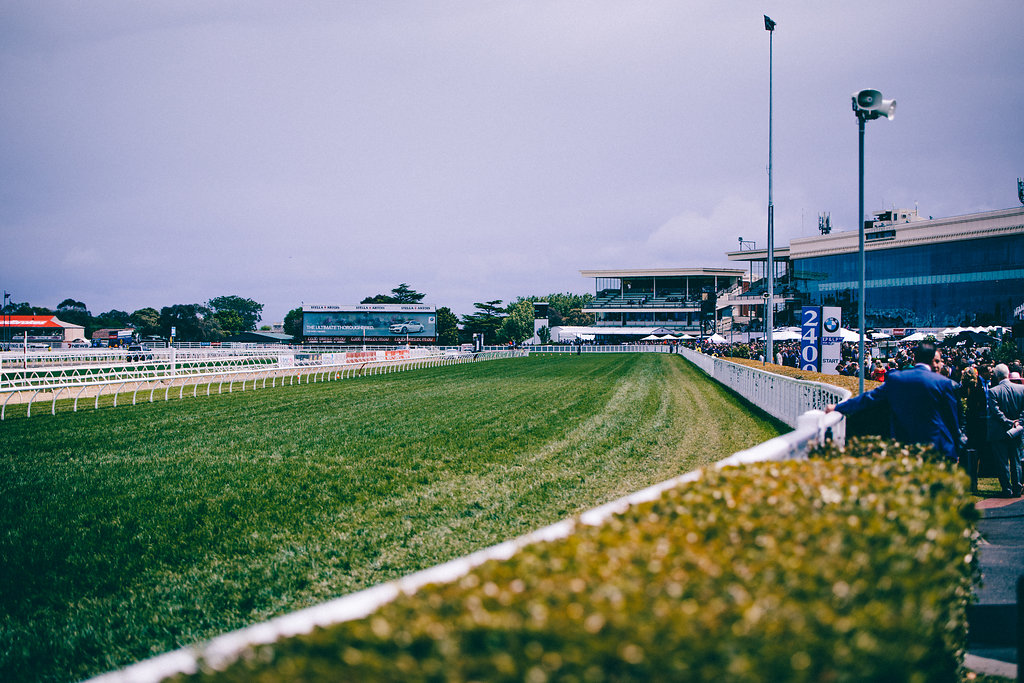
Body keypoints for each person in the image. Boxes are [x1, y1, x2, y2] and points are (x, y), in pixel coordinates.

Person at [826, 342, 960, 460]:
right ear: (932, 360)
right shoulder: (944, 383)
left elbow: (868, 398)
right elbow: (952, 420)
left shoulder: (896, 379)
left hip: (905, 446)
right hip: (939, 447)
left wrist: (838, 408)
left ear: (914, 359)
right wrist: (957, 448)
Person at [987, 363, 1024, 497]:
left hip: (999, 431)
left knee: (1002, 462)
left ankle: (1007, 489)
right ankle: (1017, 487)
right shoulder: (1021, 389)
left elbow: (996, 412)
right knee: (1016, 459)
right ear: (1008, 374)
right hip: (1017, 429)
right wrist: (1018, 421)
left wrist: (1008, 422)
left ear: (996, 376)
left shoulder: (993, 391)